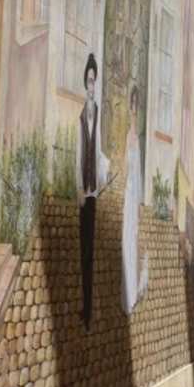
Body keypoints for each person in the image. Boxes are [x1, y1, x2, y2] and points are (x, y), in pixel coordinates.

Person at [75, 52, 110, 330]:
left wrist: (102, 177)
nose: (91, 86)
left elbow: (97, 151)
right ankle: (84, 307)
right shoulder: (80, 116)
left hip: (93, 193)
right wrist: (78, 187)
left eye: (94, 81)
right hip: (82, 193)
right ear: (84, 83)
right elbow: (79, 154)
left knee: (90, 252)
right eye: (88, 81)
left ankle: (88, 312)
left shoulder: (97, 114)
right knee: (82, 250)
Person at [121, 85, 150, 315]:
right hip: (127, 192)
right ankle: (128, 292)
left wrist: (139, 201)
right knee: (126, 239)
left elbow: (138, 172)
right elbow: (125, 169)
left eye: (136, 107)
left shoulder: (137, 139)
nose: (133, 111)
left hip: (134, 194)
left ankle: (133, 291)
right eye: (131, 106)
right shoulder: (127, 138)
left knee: (133, 238)